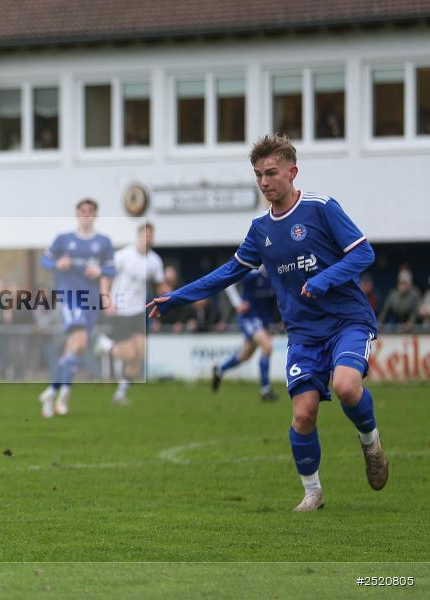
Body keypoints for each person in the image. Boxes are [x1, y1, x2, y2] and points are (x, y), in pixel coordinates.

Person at [147, 134, 387, 512]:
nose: (264, 182)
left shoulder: (321, 209)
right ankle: (313, 492)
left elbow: (364, 254)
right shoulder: (260, 230)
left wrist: (324, 278)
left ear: (292, 172)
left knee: (345, 385)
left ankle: (370, 442)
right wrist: (177, 297)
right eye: (258, 174)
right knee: (304, 413)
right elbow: (228, 272)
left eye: (271, 173)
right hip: (304, 333)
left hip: (347, 321)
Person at [38, 198, 115, 418]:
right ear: (77, 213)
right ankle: (60, 394)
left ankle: (54, 393)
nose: (86, 214)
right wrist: (57, 264)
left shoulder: (104, 242)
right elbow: (44, 261)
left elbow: (110, 271)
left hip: (92, 301)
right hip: (71, 297)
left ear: (96, 215)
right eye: (83, 210)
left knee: (74, 349)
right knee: (80, 344)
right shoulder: (64, 239)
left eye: (91, 211)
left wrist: (100, 275)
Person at [94, 222, 166, 404]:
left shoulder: (155, 261)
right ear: (138, 236)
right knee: (129, 353)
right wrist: (106, 299)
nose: (148, 238)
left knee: (139, 355)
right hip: (120, 309)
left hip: (139, 311)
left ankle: (121, 394)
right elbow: (105, 276)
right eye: (145, 235)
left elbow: (160, 287)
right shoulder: (123, 256)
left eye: (151, 235)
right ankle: (105, 346)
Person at [213, 267, 278, 401]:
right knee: (267, 346)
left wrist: (273, 323)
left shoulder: (275, 277)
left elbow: (271, 305)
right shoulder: (252, 275)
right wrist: (238, 304)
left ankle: (219, 369)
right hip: (248, 318)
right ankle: (265, 391)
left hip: (262, 322)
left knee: (244, 356)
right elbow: (229, 283)